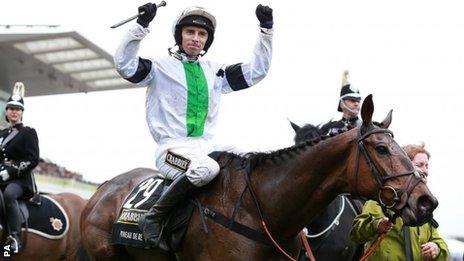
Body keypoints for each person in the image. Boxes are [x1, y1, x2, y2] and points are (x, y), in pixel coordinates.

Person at [114, 3, 274, 248]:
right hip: (171, 151)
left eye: (202, 35)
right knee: (207, 169)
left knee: (250, 158)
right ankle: (153, 219)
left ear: (207, 41)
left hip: (205, 147)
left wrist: (266, 30)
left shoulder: (215, 71)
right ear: (179, 35)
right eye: (190, 32)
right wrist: (141, 26)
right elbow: (125, 66)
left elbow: (257, 71)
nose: (196, 39)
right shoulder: (158, 67)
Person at [351, 143, 449, 261]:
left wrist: (436, 249)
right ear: (404, 166)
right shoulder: (380, 199)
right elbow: (355, 234)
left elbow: (442, 247)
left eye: (427, 166)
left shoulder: (423, 205)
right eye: (420, 165)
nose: (425, 170)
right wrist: (376, 225)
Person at [0, 82, 40, 254]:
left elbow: (33, 159)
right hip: (0, 177)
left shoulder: (28, 132)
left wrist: (9, 172)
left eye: (18, 109)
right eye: (11, 108)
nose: (14, 111)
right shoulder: (1, 134)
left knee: (9, 194)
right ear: (6, 112)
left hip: (20, 181)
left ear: (22, 112)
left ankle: (13, 238)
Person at [324, 70, 362, 136]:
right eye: (352, 100)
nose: (356, 104)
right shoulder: (331, 127)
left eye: (358, 101)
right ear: (342, 104)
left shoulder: (365, 127)